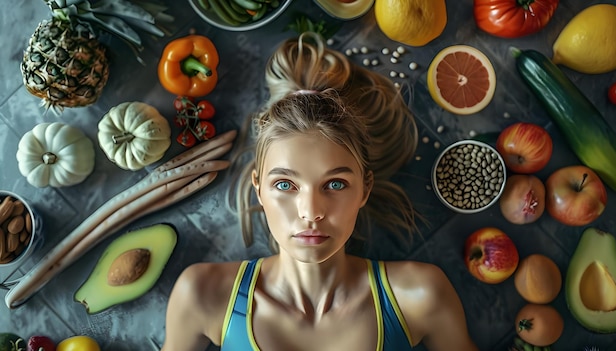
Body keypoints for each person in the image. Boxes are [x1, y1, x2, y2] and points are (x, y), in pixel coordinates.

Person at [161, 33, 478, 351]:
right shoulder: (202, 296)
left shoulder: (421, 297)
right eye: (285, 185)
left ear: (364, 189)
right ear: (259, 188)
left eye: (335, 184)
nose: (310, 211)